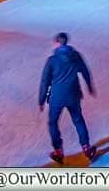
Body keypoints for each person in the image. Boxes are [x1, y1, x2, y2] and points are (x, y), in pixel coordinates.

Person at [38, 33, 96, 164]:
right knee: (78, 120)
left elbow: (44, 81)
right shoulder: (76, 56)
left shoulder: (52, 60)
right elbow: (85, 71)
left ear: (58, 43)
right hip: (73, 95)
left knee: (53, 123)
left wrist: (41, 100)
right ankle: (86, 148)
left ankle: (58, 151)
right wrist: (90, 86)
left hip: (56, 98)